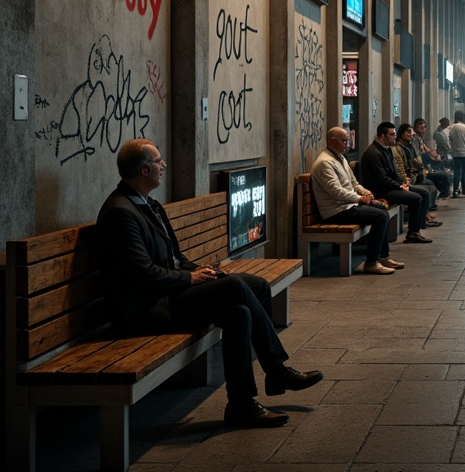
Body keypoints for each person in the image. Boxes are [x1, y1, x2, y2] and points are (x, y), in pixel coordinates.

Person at [97, 139, 323, 428]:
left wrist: (198, 269)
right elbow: (145, 276)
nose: (163, 165)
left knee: (252, 294)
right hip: (147, 308)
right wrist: (190, 278)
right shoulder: (121, 213)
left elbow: (175, 257)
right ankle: (276, 370)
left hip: (168, 293)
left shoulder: (147, 204)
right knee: (235, 287)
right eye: (158, 161)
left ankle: (241, 405)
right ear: (144, 170)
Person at [310, 127, 405, 274]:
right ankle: (371, 262)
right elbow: (336, 192)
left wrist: (365, 192)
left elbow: (353, 182)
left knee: (381, 209)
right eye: (344, 141)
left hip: (347, 206)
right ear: (333, 141)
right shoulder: (325, 162)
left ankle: (383, 257)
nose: (348, 144)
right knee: (381, 216)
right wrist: (360, 198)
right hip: (336, 211)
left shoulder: (340, 158)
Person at [360, 122, 433, 244]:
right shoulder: (373, 153)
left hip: (391, 186)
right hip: (381, 190)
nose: (395, 136)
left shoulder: (386, 150)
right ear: (382, 136)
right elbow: (382, 178)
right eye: (392, 134)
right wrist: (399, 186)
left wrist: (402, 183)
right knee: (416, 198)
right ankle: (412, 233)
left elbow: (393, 172)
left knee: (424, 193)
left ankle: (417, 229)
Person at [394, 122, 442, 222]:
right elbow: (401, 167)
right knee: (426, 190)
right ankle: (422, 218)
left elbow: (414, 160)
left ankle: (425, 214)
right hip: (405, 180)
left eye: (412, 135)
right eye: (409, 134)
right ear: (402, 134)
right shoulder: (397, 148)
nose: (411, 137)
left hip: (412, 176)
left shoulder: (409, 145)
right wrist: (408, 179)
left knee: (431, 186)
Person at [412, 117, 451, 198]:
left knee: (446, 175)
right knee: (444, 176)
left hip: (427, 163)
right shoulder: (415, 140)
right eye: (421, 128)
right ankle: (442, 194)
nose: (423, 130)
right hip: (422, 167)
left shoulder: (421, 138)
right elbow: (418, 156)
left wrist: (432, 153)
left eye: (424, 127)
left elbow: (426, 149)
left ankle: (443, 194)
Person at [448, 110, 465, 195]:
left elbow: (450, 139)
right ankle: (464, 189)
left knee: (457, 171)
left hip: (455, 153)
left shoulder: (452, 127)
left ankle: (455, 190)